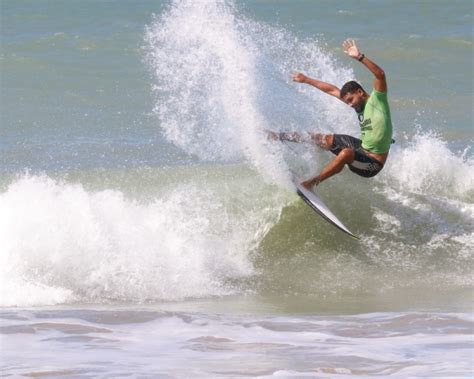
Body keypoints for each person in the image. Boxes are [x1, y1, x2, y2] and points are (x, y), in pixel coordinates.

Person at [269, 39, 393, 190]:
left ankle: (313, 183)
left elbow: (380, 75)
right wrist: (307, 80)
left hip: (372, 164)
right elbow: (332, 90)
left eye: (351, 100)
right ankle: (277, 136)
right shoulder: (357, 106)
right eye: (347, 101)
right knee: (322, 138)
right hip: (361, 148)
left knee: (347, 153)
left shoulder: (377, 100)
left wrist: (359, 56)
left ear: (360, 92)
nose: (350, 104)